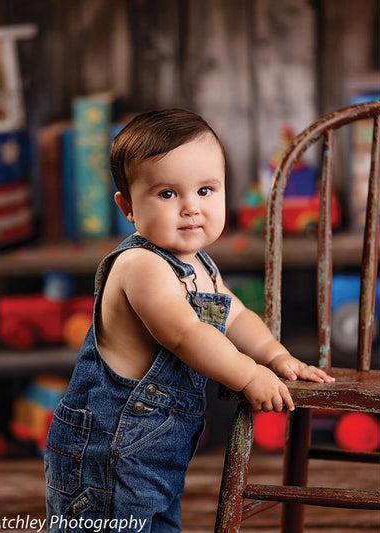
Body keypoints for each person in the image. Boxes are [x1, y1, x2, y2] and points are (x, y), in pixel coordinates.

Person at [44, 108, 334, 532]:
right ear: (127, 206)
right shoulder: (141, 265)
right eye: (167, 194)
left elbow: (236, 316)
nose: (190, 208)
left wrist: (275, 356)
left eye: (205, 190)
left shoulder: (200, 264)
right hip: (105, 455)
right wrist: (250, 375)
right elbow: (186, 334)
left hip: (151, 455)